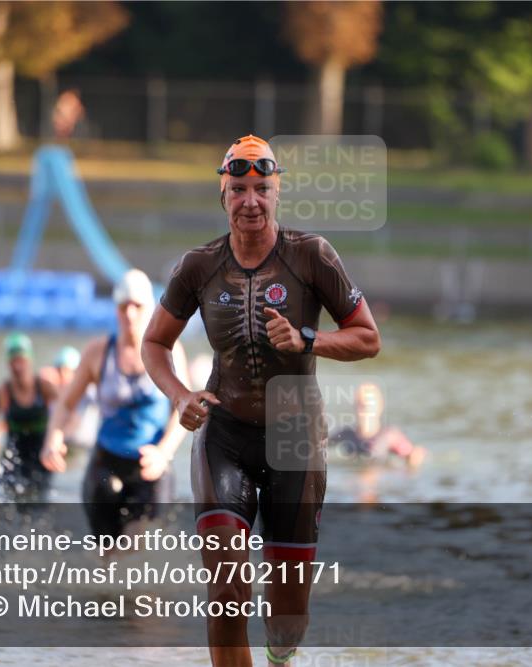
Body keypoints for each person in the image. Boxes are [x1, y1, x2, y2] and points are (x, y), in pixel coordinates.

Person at [141, 135, 380, 667]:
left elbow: (368, 338)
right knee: (226, 589)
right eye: (239, 190)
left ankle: (280, 655)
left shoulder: (311, 255)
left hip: (296, 441)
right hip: (224, 435)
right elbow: (154, 342)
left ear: (277, 193)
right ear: (222, 195)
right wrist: (179, 395)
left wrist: (307, 339)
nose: (251, 201)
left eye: (262, 189)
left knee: (287, 617)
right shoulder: (198, 266)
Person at [40, 269, 189, 541]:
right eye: (123, 306)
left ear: (150, 309)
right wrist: (53, 438)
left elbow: (183, 410)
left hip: (151, 466)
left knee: (141, 547)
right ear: (116, 309)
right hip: (105, 463)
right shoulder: (98, 352)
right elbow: (65, 404)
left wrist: (163, 453)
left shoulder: (169, 351)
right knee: (106, 550)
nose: (129, 314)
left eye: (137, 306)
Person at [0, 332, 59, 502]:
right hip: (13, 457)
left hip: (41, 458)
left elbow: (64, 414)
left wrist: (59, 443)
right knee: (9, 503)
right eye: (14, 361)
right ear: (8, 363)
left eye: (22, 360)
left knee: (39, 503)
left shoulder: (45, 388)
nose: (18, 366)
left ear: (30, 360)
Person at [330, 382, 426, 469]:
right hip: (354, 473)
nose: (365, 410)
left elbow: (412, 456)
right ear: (355, 407)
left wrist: (413, 459)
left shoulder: (390, 436)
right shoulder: (346, 434)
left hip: (382, 473)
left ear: (380, 406)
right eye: (360, 405)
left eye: (369, 405)